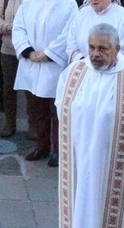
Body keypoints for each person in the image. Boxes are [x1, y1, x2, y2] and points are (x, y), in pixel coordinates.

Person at [56, 23, 124, 228]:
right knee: (79, 201)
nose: (95, 54)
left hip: (111, 161)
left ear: (117, 49)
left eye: (102, 49)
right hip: (79, 156)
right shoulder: (76, 72)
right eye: (91, 47)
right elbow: (61, 105)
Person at [13, 0, 79, 167]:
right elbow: (19, 27)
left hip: (54, 65)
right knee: (36, 109)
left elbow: (69, 32)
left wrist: (49, 53)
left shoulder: (68, 3)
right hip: (32, 62)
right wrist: (28, 51)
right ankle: (41, 145)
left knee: (56, 110)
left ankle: (58, 150)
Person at [0, 0, 33, 138]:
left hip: (28, 52)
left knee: (30, 90)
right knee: (8, 88)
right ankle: (10, 123)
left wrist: (19, 30)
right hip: (8, 50)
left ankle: (33, 125)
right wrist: (12, 28)